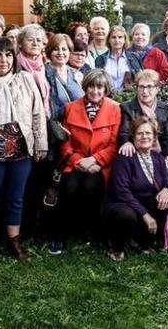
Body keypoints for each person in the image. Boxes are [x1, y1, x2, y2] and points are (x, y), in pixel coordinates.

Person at [0, 37, 48, 267]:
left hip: (21, 152)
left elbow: (37, 113)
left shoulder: (25, 79)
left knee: (16, 199)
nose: (3, 59)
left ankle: (14, 241)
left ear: (14, 58)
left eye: (8, 55)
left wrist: (40, 144)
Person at [50, 69, 120, 249]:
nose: (95, 91)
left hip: (99, 165)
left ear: (105, 90)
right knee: (70, 187)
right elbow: (65, 142)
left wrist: (96, 160)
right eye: (91, 87)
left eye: (99, 88)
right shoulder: (71, 108)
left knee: (91, 186)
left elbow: (114, 144)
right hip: (75, 162)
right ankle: (63, 233)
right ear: (85, 88)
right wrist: (77, 161)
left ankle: (92, 232)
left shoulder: (114, 109)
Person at [103, 117, 168, 261]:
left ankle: (143, 243)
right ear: (133, 136)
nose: (144, 136)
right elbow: (122, 191)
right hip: (122, 203)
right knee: (127, 215)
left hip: (144, 202)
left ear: (154, 138)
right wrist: (145, 215)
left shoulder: (158, 158)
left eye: (148, 133)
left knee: (163, 202)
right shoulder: (125, 157)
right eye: (140, 133)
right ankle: (116, 246)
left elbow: (166, 182)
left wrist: (167, 191)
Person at [116, 70, 168, 161]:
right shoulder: (127, 107)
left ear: (157, 89)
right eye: (141, 87)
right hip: (136, 153)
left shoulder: (164, 108)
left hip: (159, 154)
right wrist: (126, 142)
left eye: (149, 87)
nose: (145, 91)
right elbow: (124, 132)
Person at [45, 34, 85, 124]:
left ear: (69, 52)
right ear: (49, 51)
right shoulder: (43, 74)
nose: (60, 53)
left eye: (64, 49)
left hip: (77, 125)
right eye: (56, 49)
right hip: (56, 127)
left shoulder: (77, 75)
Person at [95, 26, 142, 93]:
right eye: (113, 37)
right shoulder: (100, 59)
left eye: (120, 37)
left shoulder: (134, 58)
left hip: (128, 97)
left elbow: (140, 80)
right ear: (109, 40)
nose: (117, 40)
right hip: (106, 97)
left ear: (124, 40)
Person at [16, 24, 50, 114]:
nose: (35, 43)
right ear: (20, 43)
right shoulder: (14, 67)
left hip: (45, 117)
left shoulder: (47, 67)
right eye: (30, 40)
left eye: (39, 40)